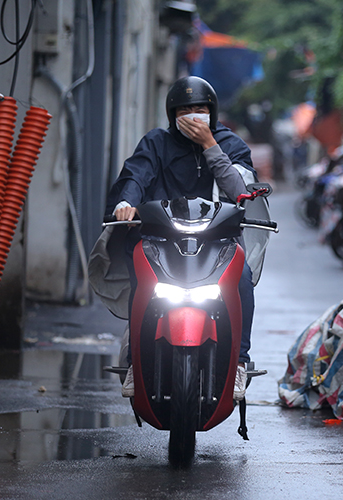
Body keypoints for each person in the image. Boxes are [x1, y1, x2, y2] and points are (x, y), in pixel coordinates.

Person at [105, 76, 257, 400]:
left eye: (199, 108)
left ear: (212, 112)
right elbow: (136, 175)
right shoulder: (156, 142)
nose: (193, 114)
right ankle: (135, 360)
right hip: (161, 239)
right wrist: (125, 204)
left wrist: (209, 146)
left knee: (242, 276)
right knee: (141, 277)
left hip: (219, 242)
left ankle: (240, 361)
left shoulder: (231, 145)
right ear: (172, 113)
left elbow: (241, 191)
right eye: (184, 109)